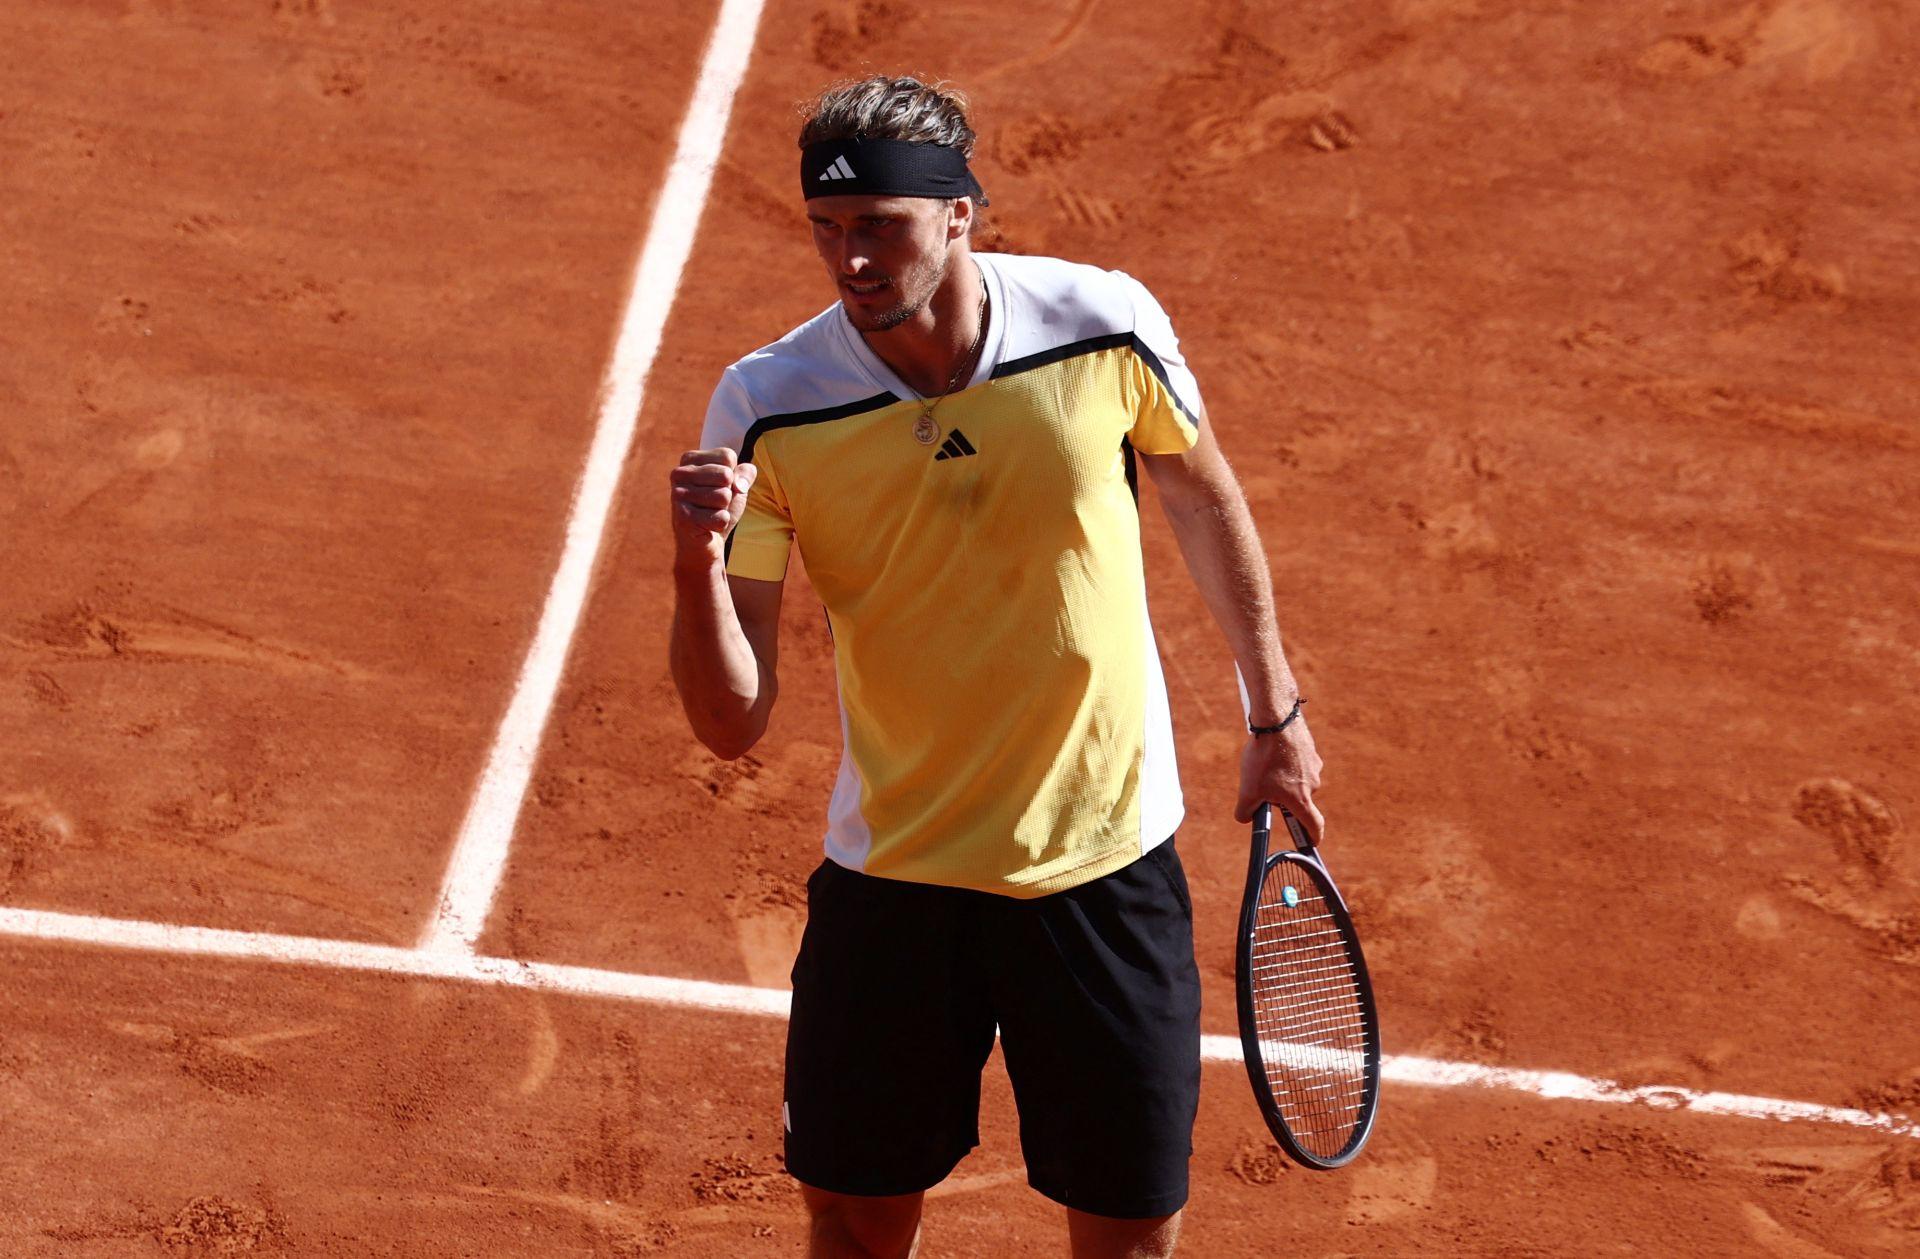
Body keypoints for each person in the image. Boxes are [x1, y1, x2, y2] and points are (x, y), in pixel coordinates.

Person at [668, 75, 1324, 1259]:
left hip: (1104, 860)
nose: (850, 259)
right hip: (897, 879)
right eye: (826, 228)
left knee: (1128, 1230)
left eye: (880, 225)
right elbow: (732, 722)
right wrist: (690, 562)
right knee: (858, 1223)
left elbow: (1197, 491)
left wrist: (1272, 708)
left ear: (961, 214)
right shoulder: (768, 403)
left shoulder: (1102, 323)